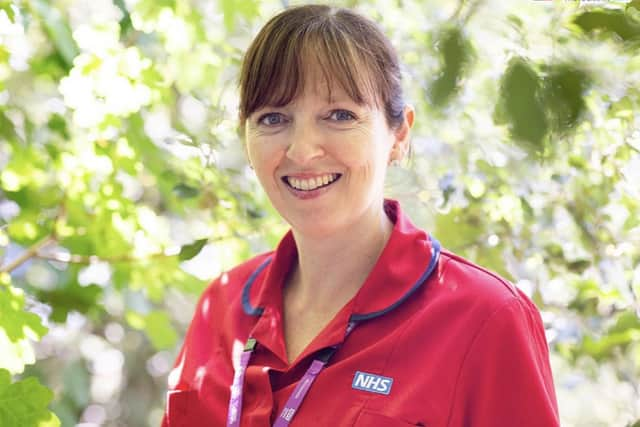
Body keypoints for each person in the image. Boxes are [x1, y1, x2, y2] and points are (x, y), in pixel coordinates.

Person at [161, 4, 559, 426]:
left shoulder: (486, 318)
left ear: (398, 135)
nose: (302, 150)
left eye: (339, 115)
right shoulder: (221, 307)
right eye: (274, 118)